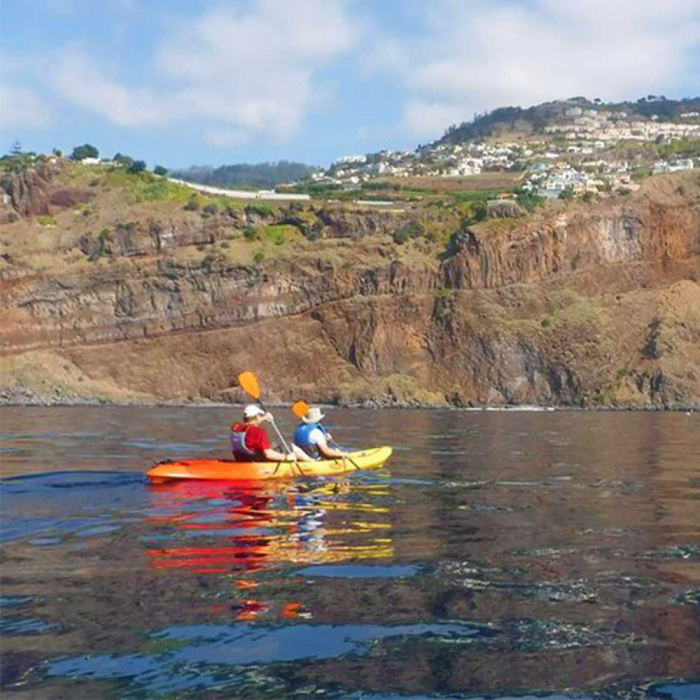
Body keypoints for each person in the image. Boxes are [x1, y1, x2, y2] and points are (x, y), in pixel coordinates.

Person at [231, 405, 312, 463]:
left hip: (245, 459)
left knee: (276, 444)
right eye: (260, 415)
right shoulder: (258, 431)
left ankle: (309, 460)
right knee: (290, 446)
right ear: (257, 416)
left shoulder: (236, 427)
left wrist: (263, 418)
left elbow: (249, 425)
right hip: (258, 460)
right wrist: (286, 458)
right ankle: (312, 462)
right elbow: (268, 454)